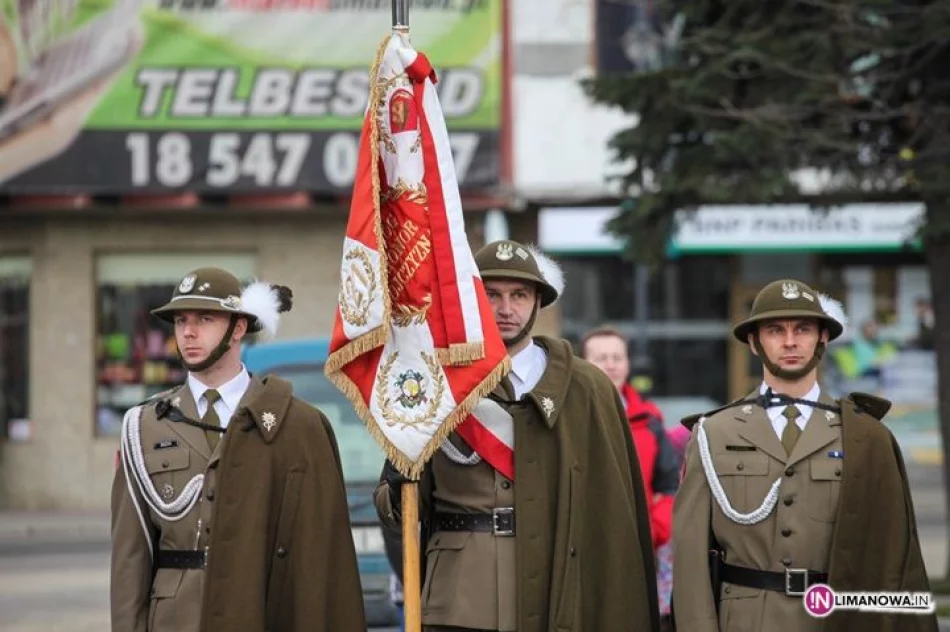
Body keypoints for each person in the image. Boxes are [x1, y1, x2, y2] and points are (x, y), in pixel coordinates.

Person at [374, 239, 660, 632]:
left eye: (519, 295)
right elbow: (400, 509)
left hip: (558, 591)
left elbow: (612, 511)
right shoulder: (435, 382)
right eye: (492, 294)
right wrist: (397, 476)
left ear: (539, 303)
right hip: (461, 598)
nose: (506, 309)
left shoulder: (587, 388)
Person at [110, 267, 366, 632]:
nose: (188, 332)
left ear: (239, 328)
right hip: (176, 620)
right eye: (180, 320)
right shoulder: (143, 425)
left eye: (205, 318)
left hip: (260, 613)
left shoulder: (296, 424)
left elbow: (322, 556)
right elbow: (130, 558)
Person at [672, 279, 936, 632]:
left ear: (823, 338)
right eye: (775, 330)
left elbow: (894, 556)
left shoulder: (863, 436)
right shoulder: (713, 433)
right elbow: (689, 558)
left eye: (804, 329)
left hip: (835, 619)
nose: (790, 341)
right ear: (753, 342)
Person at [579, 326, 680, 622]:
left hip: (637, 548)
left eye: (617, 357)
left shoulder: (650, 420)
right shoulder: (566, 416)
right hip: (582, 546)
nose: (611, 364)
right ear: (583, 363)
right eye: (601, 358)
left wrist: (654, 529)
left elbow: (669, 485)